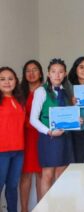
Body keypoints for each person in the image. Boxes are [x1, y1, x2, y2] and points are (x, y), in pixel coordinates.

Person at [30, 58, 73, 199]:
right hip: (48, 138)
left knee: (61, 175)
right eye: (53, 72)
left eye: (60, 72)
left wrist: (76, 120)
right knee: (47, 175)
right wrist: (49, 131)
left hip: (65, 138)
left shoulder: (66, 92)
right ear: (48, 74)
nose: (57, 75)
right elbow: (33, 119)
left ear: (65, 74)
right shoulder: (41, 91)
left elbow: (67, 116)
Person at [19, 60, 44, 212]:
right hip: (24, 137)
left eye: (35, 70)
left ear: (41, 73)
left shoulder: (46, 90)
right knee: (25, 175)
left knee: (41, 174)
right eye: (28, 70)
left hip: (41, 136)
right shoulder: (19, 92)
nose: (31, 73)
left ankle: (41, 208)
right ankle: (24, 209)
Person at [0, 67, 25, 212]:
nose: (7, 82)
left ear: (16, 80)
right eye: (2, 79)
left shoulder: (18, 100)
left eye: (10, 78)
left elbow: (26, 123)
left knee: (12, 187)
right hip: (1, 151)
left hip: (18, 150)